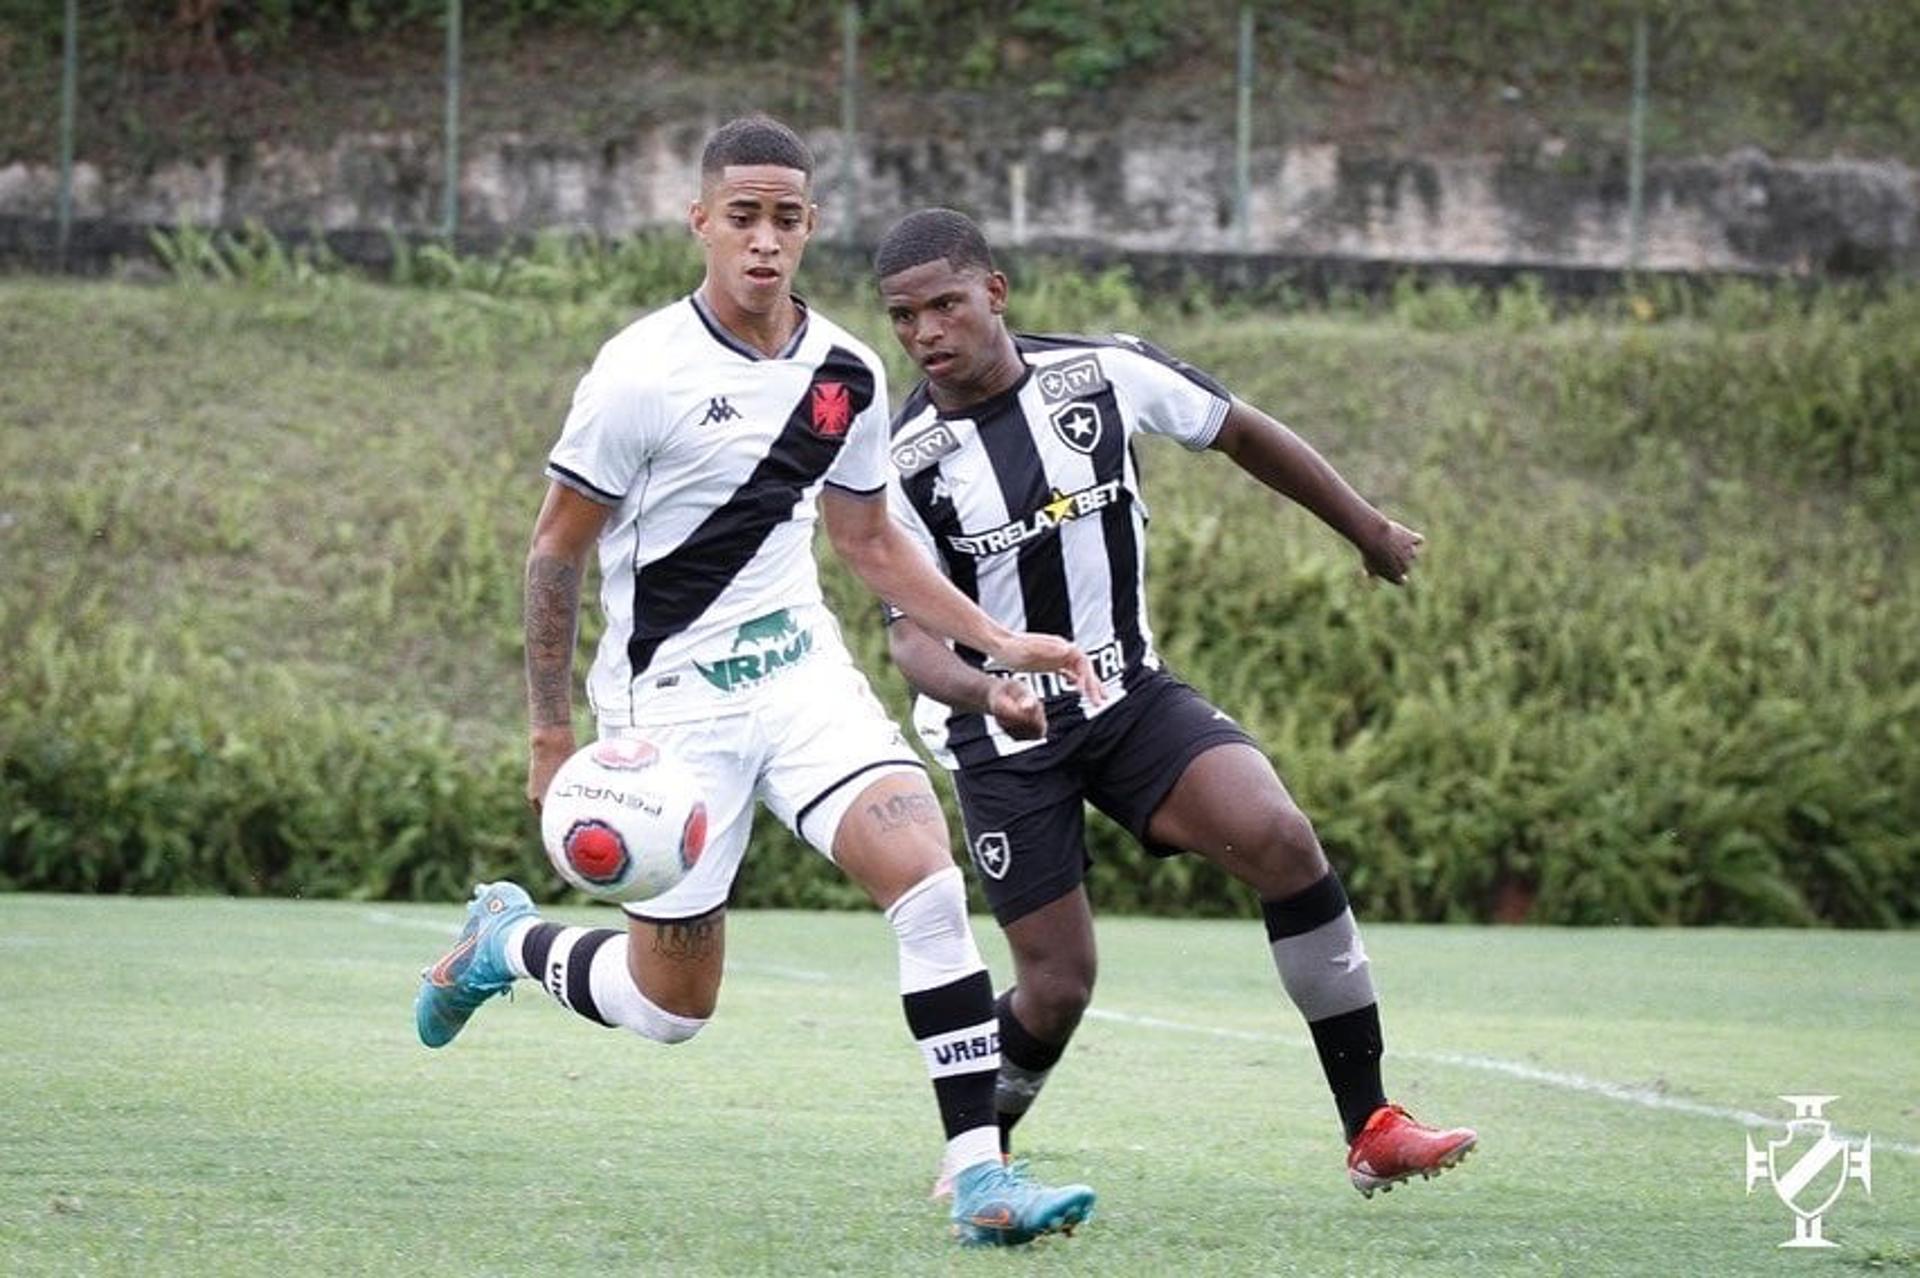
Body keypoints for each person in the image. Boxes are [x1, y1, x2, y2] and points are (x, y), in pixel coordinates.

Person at [412, 121, 1099, 1248]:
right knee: (670, 1011)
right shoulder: (640, 373)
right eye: (744, 217)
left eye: (787, 219)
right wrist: (549, 737)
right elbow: (554, 551)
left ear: (811, 227)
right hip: (668, 711)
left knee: (926, 880)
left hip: (801, 680)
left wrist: (999, 643)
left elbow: (871, 544)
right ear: (701, 224)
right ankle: (505, 944)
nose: (766, 241)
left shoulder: (846, 372)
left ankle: (981, 1180)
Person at [871, 207, 1477, 1198]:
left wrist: (1365, 529)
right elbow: (908, 637)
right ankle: (980, 1150)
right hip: (1001, 736)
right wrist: (991, 688)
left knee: (1280, 837)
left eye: (945, 304)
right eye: (904, 317)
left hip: (1124, 694)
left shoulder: (1101, 375)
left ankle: (1371, 1125)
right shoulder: (905, 463)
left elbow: (1241, 432)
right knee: (1059, 986)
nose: (928, 332)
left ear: (995, 291)